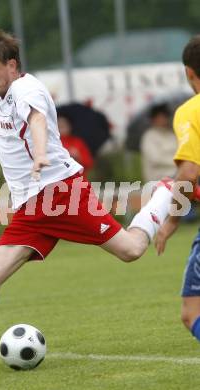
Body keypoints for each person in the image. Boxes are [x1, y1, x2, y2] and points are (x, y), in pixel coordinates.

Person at [0, 30, 174, 375]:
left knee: (130, 249)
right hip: (34, 206)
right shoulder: (7, 86)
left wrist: (40, 154)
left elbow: (36, 119)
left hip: (60, 195)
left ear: (12, 65)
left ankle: (167, 191)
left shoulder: (27, 90)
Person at [154, 36, 200, 344]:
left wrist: (171, 221)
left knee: (192, 312)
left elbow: (189, 172)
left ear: (189, 73)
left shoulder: (190, 110)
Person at [140, 103, 177, 182]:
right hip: (158, 178)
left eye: (164, 117)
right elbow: (156, 158)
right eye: (159, 117)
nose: (162, 119)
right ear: (153, 119)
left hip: (177, 174)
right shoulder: (149, 136)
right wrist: (178, 162)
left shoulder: (172, 135)